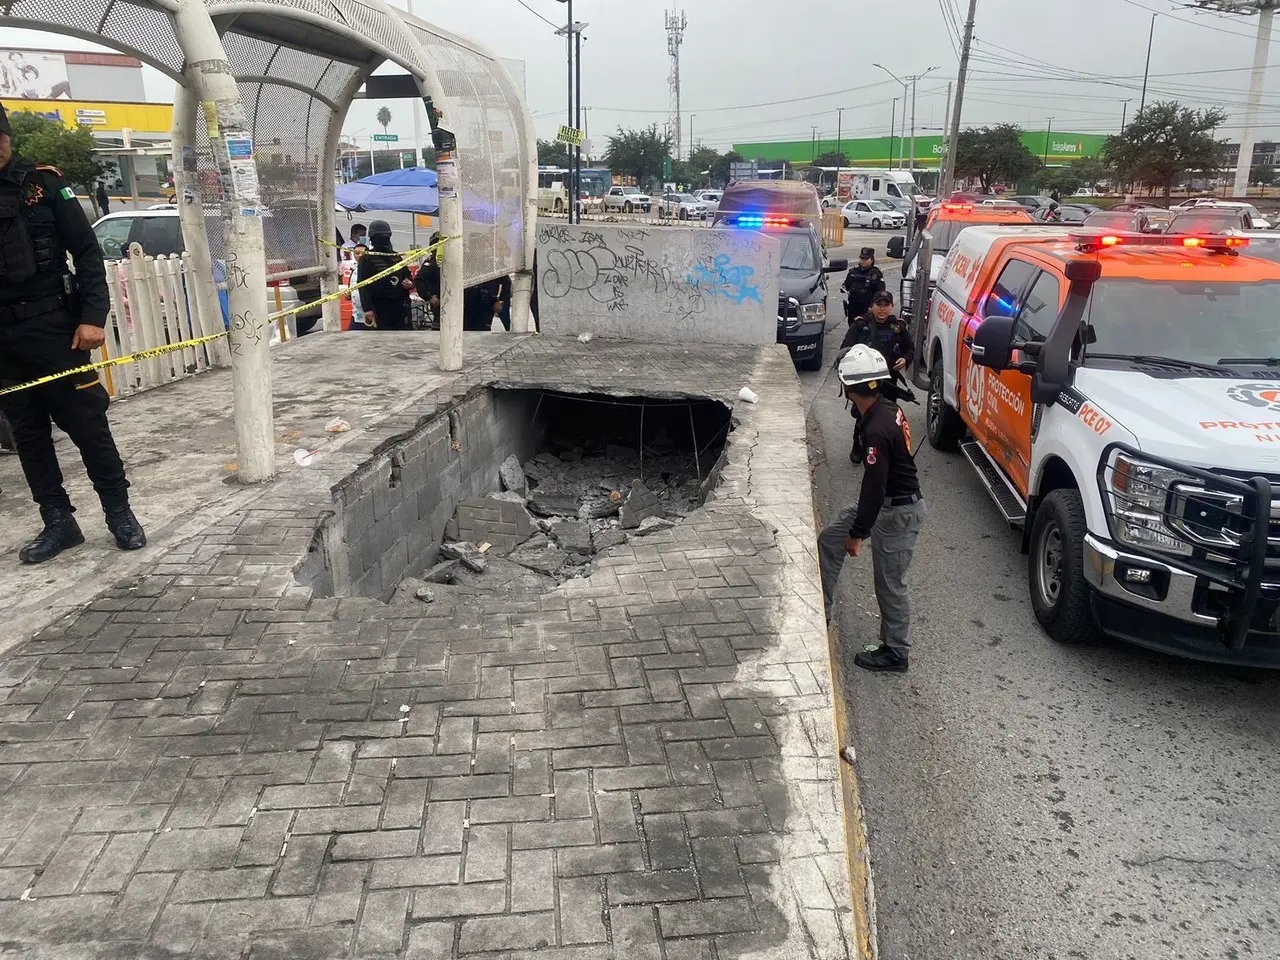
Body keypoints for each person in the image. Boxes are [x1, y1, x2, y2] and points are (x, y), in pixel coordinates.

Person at [0, 104, 146, 563]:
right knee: (27, 433)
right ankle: (59, 521)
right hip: (3, 340)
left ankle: (118, 512)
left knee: (87, 424)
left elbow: (86, 253)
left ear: (7, 138)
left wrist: (93, 316)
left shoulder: (45, 187)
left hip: (55, 330)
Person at [819, 345, 925, 673]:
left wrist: (858, 534)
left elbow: (874, 486)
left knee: (891, 583)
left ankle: (896, 653)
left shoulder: (875, 429)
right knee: (828, 539)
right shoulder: (883, 409)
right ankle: (820, 612)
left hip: (896, 512)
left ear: (848, 388)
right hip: (887, 504)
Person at [356, 220, 412, 330]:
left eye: (385, 237)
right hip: (380, 306)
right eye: (380, 237)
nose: (383, 240)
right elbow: (362, 285)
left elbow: (407, 275)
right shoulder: (367, 258)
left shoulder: (396, 256)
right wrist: (367, 309)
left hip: (400, 305)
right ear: (372, 239)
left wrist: (410, 283)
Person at [841, 247, 885, 323]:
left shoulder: (876, 274)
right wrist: (843, 288)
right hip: (853, 308)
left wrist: (873, 307)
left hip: (867, 309)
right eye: (862, 258)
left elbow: (881, 293)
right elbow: (846, 286)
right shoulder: (853, 272)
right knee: (853, 330)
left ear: (871, 259)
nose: (863, 261)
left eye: (866, 259)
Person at [413, 233, 441, 328]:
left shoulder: (449, 261)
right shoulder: (431, 263)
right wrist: (429, 297)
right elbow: (418, 280)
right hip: (440, 308)